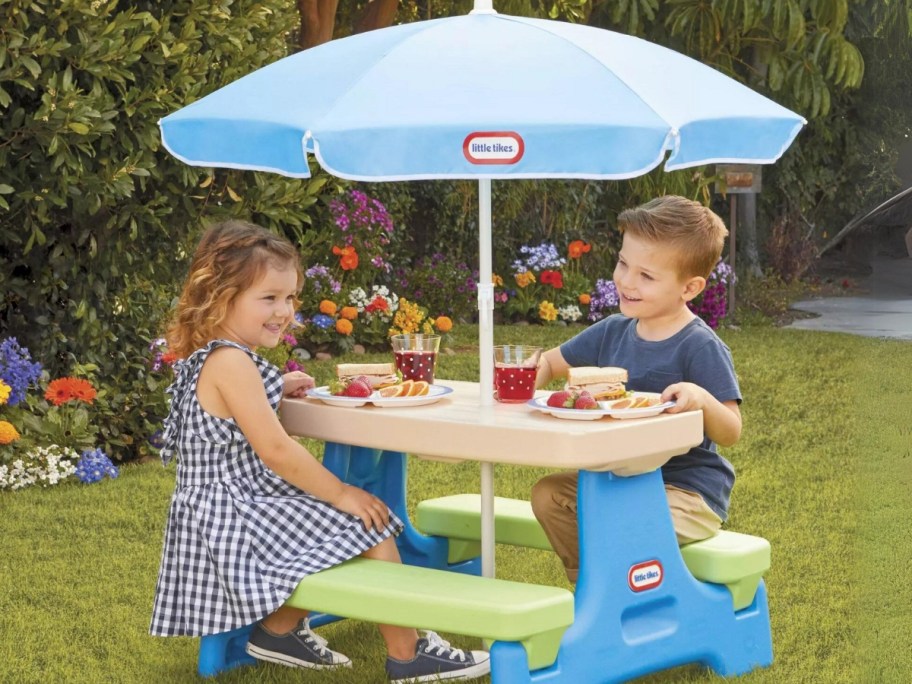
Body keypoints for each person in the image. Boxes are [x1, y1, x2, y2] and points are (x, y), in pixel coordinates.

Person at [150, 220, 489, 683]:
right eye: (268, 298)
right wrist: (341, 493)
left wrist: (278, 385)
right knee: (369, 522)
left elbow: (238, 409)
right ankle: (409, 656)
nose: (283, 311)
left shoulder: (221, 356)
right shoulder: (231, 362)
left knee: (345, 526)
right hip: (231, 517)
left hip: (221, 507)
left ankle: (278, 631)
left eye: (289, 298)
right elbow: (276, 451)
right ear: (220, 296)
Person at [532, 196, 743, 583]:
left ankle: (623, 594)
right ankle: (593, 587)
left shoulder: (699, 345)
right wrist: (526, 373)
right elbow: (550, 363)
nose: (627, 281)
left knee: (621, 521)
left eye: (646, 276)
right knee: (548, 494)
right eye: (623, 264)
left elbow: (731, 429)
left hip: (685, 492)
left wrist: (701, 398)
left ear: (689, 287)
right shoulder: (612, 331)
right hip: (618, 478)